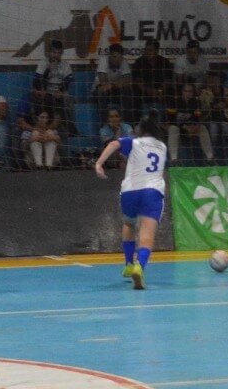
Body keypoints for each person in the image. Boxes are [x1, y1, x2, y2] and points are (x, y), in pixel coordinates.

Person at [95, 114, 167, 290]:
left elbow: (114, 144)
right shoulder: (163, 147)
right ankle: (139, 267)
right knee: (147, 232)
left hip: (130, 191)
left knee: (129, 224)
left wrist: (99, 163)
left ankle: (128, 264)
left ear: (140, 129)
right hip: (152, 191)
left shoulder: (134, 142)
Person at [200, 70, 228, 164]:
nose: (213, 81)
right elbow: (201, 108)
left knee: (227, 130)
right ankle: (213, 159)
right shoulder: (204, 93)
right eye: (212, 79)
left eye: (216, 79)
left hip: (226, 119)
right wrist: (213, 107)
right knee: (214, 130)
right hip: (210, 119)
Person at [165, 80, 214, 165]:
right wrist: (184, 126)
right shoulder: (174, 102)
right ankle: (174, 159)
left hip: (191, 129)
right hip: (179, 128)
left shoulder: (197, 103)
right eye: (185, 91)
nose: (187, 93)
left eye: (190, 91)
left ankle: (210, 158)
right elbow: (171, 119)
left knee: (203, 128)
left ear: (193, 93)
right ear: (182, 92)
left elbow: (197, 119)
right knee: (173, 128)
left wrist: (195, 127)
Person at [33, 40, 76, 135]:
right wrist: (48, 70)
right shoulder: (43, 63)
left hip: (60, 91)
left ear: (61, 53)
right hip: (46, 91)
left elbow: (68, 80)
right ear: (49, 52)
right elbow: (37, 83)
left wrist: (61, 91)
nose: (56, 55)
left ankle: (71, 128)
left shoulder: (65, 64)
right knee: (47, 99)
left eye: (58, 53)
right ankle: (49, 126)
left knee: (68, 98)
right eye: (54, 52)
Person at [91, 43, 134, 122]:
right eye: (114, 57)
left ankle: (126, 123)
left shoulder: (124, 61)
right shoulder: (104, 60)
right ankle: (104, 125)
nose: (117, 60)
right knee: (102, 92)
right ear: (110, 55)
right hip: (99, 90)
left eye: (119, 57)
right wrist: (118, 83)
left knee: (128, 90)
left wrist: (112, 85)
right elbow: (103, 81)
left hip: (114, 90)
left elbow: (127, 81)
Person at [131, 39, 173, 115]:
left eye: (150, 50)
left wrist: (159, 92)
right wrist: (150, 91)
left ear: (157, 51)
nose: (147, 52)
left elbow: (168, 81)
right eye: (146, 50)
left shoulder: (165, 62)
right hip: (144, 94)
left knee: (169, 93)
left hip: (160, 94)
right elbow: (137, 82)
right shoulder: (139, 62)